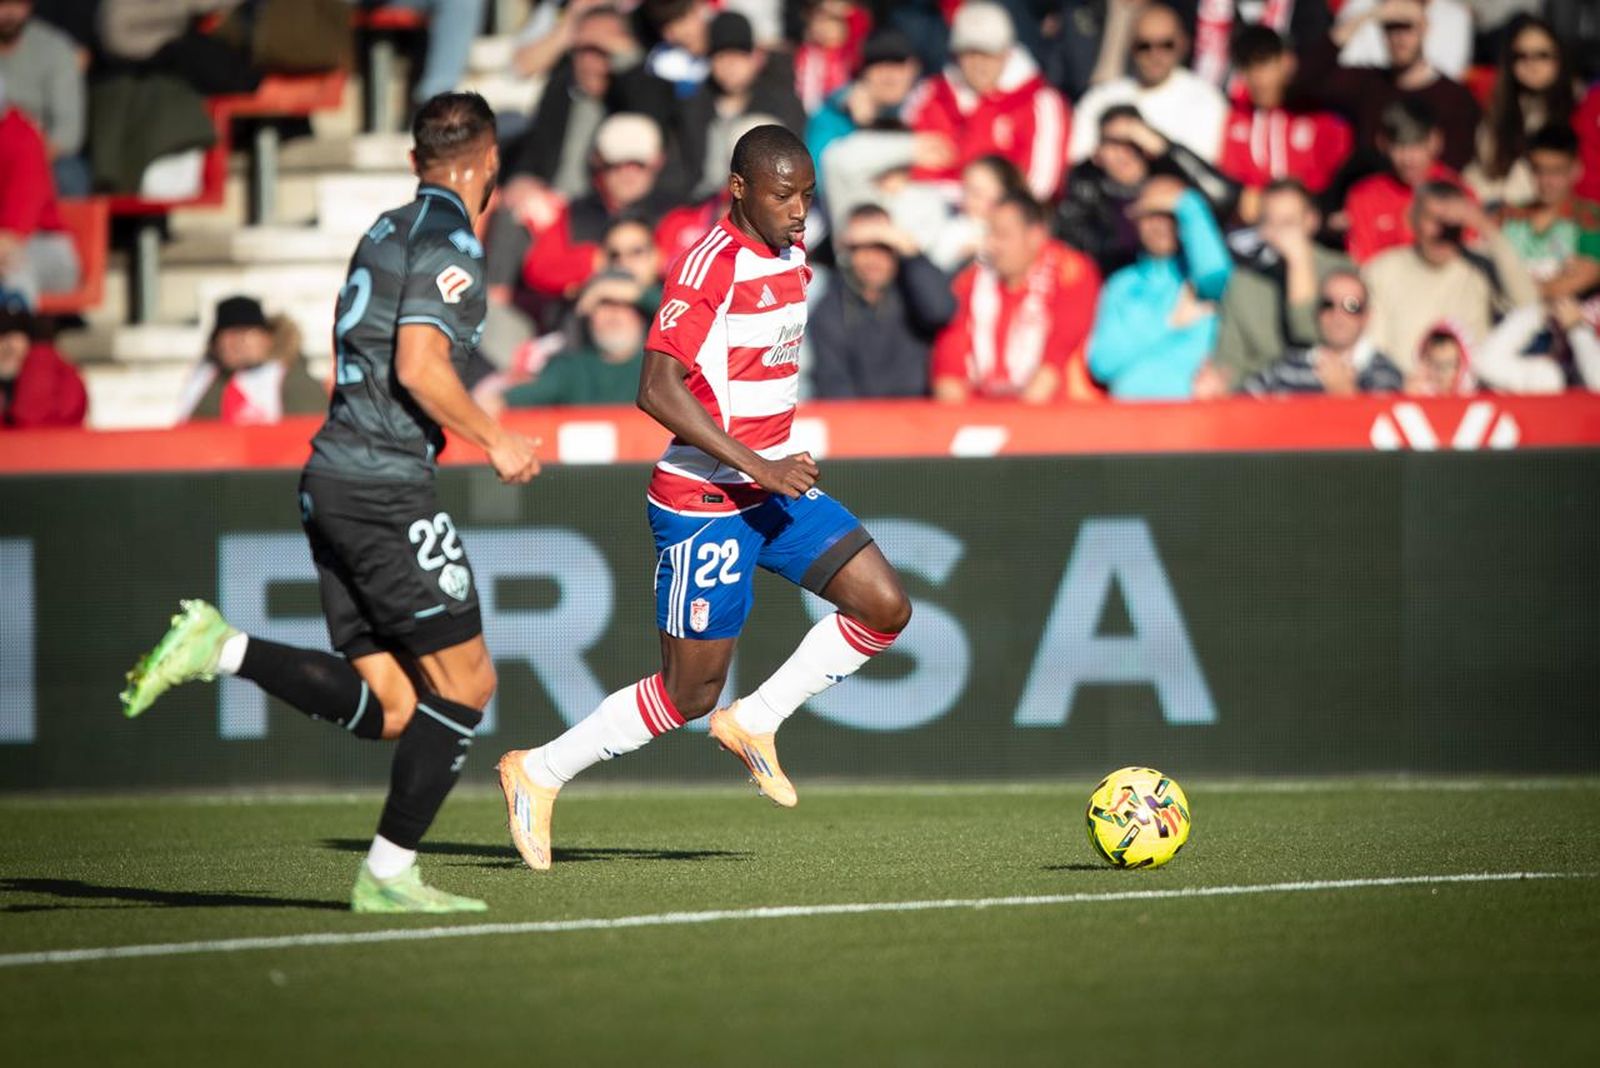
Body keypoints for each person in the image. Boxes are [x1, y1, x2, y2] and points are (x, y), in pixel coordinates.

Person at [119, 93, 542, 914]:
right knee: (468, 684)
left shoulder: (385, 228)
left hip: (332, 479)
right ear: (488, 161)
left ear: (414, 160)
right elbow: (420, 364)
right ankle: (387, 875)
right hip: (383, 485)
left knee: (394, 707)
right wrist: (495, 437)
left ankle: (224, 648)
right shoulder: (450, 238)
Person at [497, 125, 913, 871]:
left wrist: (770, 463)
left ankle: (756, 720)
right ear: (740, 188)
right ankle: (539, 770)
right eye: (784, 195)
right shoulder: (707, 265)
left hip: (768, 488)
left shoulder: (792, 252)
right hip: (704, 500)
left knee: (884, 606)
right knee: (689, 695)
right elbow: (655, 389)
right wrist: (762, 462)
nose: (799, 210)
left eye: (807, 194)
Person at [932, 191, 1101, 403]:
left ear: (1035, 236)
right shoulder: (970, 281)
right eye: (989, 234)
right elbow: (949, 364)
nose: (992, 245)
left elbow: (1058, 355)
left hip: (1056, 414)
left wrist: (1018, 426)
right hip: (979, 417)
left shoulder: (1070, 271)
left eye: (1002, 235)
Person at [1363, 179, 1539, 373]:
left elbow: (1528, 306)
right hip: (1404, 391)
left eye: (1452, 224)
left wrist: (1487, 229)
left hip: (1470, 393)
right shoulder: (1381, 270)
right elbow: (1374, 346)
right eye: (1433, 219)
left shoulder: (1480, 267)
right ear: (1412, 219)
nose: (1443, 232)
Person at [906, 1, 1071, 201]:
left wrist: (976, 200)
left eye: (988, 54)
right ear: (956, 56)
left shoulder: (1041, 102)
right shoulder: (930, 95)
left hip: (1007, 223)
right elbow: (907, 170)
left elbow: (1040, 185)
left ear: (1007, 53)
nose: (979, 65)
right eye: (970, 54)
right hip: (930, 214)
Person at [1087, 175, 1233, 399]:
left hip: (1191, 416)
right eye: (1151, 216)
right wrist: (1168, 322)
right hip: (1130, 417)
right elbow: (1101, 363)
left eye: (1171, 216)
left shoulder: (1201, 278)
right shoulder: (1121, 284)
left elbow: (1215, 274)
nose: (1161, 225)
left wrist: (1187, 204)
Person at [1292, 0, 1480, 173]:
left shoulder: (1455, 98)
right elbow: (1305, 80)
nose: (1398, 37)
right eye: (1390, 27)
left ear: (1424, 27)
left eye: (1406, 27)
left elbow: (1455, 167)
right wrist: (1369, 16)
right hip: (1368, 198)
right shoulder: (1369, 83)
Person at [1203, 179, 1354, 394]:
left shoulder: (1343, 271)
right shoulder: (1245, 282)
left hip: (1329, 398)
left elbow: (1311, 341)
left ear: (1312, 221)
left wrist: (1299, 263)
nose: (1278, 232)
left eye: (1288, 223)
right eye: (1269, 222)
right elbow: (1230, 362)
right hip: (1265, 404)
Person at [1057, 105, 1240, 280]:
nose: (1124, 153)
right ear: (1097, 154)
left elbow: (1226, 199)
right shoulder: (1084, 191)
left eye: (1133, 142)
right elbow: (1081, 253)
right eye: (1113, 144)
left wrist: (1166, 149)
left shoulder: (1171, 180)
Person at [518, 112, 680, 307]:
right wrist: (600, 259)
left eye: (638, 164)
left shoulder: (675, 215)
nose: (628, 173)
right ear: (598, 160)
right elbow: (539, 271)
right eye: (616, 164)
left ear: (658, 162)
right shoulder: (573, 213)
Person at [810, 203, 955, 399]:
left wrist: (911, 251)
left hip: (919, 419)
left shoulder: (913, 289)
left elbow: (941, 310)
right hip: (860, 422)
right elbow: (833, 384)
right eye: (862, 248)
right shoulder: (832, 306)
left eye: (882, 246)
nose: (873, 259)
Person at [1068, 3, 1228, 165]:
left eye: (1166, 45)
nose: (1154, 54)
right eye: (1144, 46)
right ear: (1131, 47)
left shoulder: (1206, 101)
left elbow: (1202, 170)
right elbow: (1078, 161)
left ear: (1183, 44)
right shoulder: (1099, 99)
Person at [1217, 26, 1353, 217]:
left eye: (1264, 64)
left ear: (1286, 62)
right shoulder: (1236, 117)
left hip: (1311, 224)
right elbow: (1235, 185)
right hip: (1252, 228)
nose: (1256, 78)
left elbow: (1338, 179)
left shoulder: (1319, 115)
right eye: (1247, 67)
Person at [676, 11, 806, 201]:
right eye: (720, 57)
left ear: (755, 57)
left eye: (738, 55)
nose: (729, 65)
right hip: (702, 205)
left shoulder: (782, 103)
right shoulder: (693, 107)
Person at [1466, 14, 1579, 208]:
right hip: (1495, 212)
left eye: (1542, 55)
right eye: (1521, 56)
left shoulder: (1577, 109)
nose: (1531, 64)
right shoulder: (1497, 109)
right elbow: (1482, 172)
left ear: (1559, 58)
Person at [503, 269, 649, 407]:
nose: (614, 313)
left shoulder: (656, 369)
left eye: (625, 304)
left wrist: (636, 293)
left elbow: (668, 314)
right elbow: (517, 398)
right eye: (603, 303)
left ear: (642, 314)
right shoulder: (571, 368)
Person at [1343, 99, 1465, 264]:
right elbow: (1364, 262)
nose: (1408, 159)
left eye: (1417, 145)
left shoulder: (1459, 194)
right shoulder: (1364, 196)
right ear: (1383, 144)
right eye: (1399, 146)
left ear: (1435, 141)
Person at [1242, 271, 1404, 395]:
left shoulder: (1385, 373)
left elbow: (1386, 431)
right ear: (1317, 312)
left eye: (1351, 306)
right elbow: (1240, 407)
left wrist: (1347, 395)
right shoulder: (1288, 367)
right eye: (1328, 304)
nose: (1338, 314)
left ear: (1367, 317)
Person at [176, 296, 326, 424]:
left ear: (267, 339)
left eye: (247, 333)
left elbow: (310, 431)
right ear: (215, 344)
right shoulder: (206, 382)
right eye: (230, 335)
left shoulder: (292, 378)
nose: (238, 343)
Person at [805, 27, 921, 191]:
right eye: (878, 65)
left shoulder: (923, 107)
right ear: (863, 72)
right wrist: (863, 127)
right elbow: (817, 181)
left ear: (913, 69)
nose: (889, 76)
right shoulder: (832, 115)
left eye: (898, 65)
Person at [1496, 124, 1600, 300]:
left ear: (1576, 170)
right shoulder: (1509, 214)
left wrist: (1518, 288)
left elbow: (1586, 275)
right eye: (1539, 170)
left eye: (1556, 171)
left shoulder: (1588, 218)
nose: (1546, 181)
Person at [0, 85, 78, 308]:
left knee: (12, 265)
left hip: (47, 249)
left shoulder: (22, 138)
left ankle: (17, 334)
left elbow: (10, 236)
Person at [0, 0, 88, 196]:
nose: (8, 13)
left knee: (69, 175)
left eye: (16, 4)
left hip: (44, 155)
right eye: (2, 4)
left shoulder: (55, 48)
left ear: (28, 6)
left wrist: (25, 162)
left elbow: (68, 133)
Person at [0, 293, 86, 428]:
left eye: (12, 338)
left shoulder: (47, 366)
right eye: (2, 339)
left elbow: (35, 421)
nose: (6, 346)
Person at [1335, 0, 1471, 78]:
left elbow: (1448, 75)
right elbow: (1340, 63)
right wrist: (1372, 14)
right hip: (1364, 101)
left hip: (1422, 111)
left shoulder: (1455, 16)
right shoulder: (1362, 6)